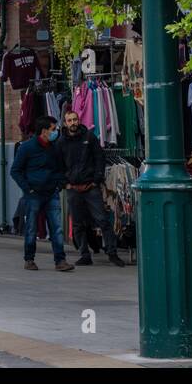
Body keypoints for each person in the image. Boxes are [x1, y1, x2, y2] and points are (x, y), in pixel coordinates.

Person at [59, 109, 126, 267]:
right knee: (78, 223)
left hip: (91, 187)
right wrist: (64, 183)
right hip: (73, 188)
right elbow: (57, 165)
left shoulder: (89, 137)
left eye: (75, 119)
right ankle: (84, 254)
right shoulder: (61, 142)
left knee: (102, 220)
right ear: (65, 123)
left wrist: (97, 180)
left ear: (79, 119)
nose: (73, 123)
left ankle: (112, 252)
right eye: (69, 120)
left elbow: (99, 158)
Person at [10, 116, 73, 271]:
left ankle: (60, 260)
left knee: (57, 228)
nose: (56, 132)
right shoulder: (27, 147)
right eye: (53, 129)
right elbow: (15, 170)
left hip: (51, 192)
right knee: (31, 228)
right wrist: (27, 188)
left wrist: (59, 185)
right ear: (44, 131)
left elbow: (60, 168)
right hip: (33, 194)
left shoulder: (55, 148)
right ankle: (29, 259)